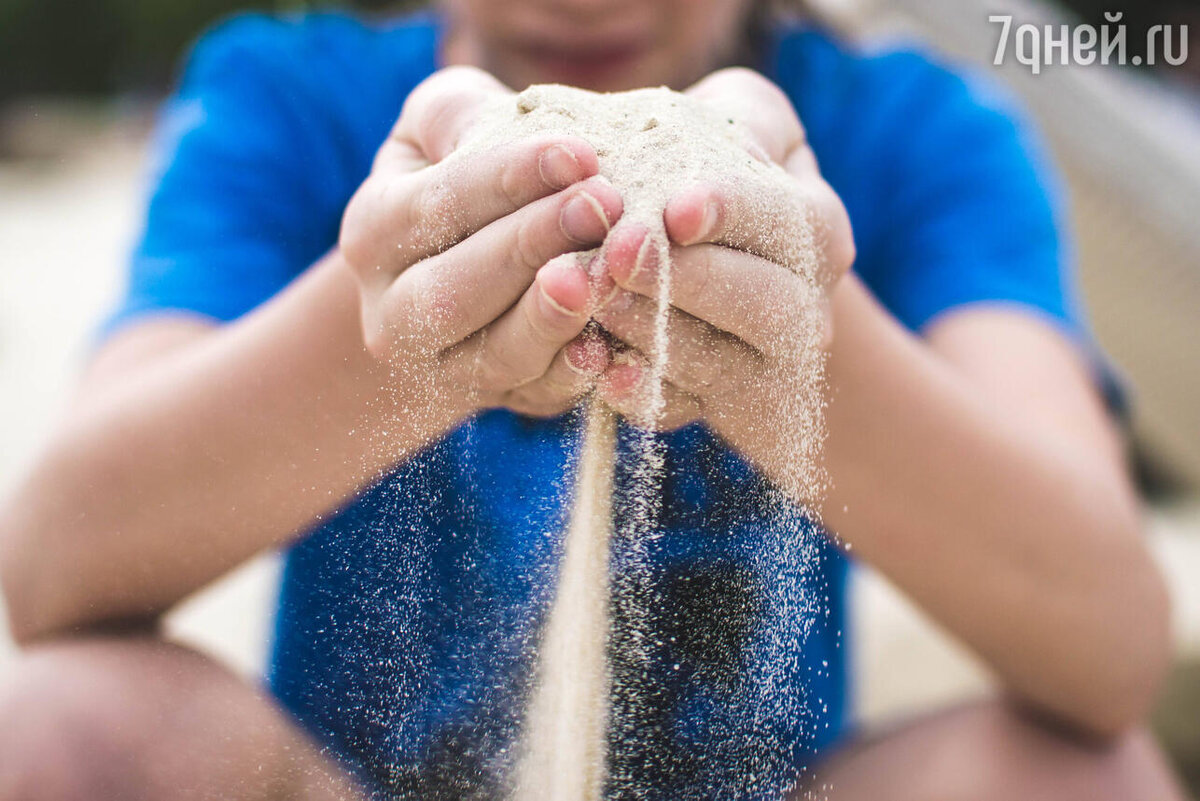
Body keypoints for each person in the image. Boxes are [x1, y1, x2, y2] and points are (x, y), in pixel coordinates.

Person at [0, 0, 1186, 798]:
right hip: (344, 777)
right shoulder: (295, 99)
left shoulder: (920, 134)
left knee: (1081, 777)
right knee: (57, 727)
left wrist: (800, 341)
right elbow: (54, 566)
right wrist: (397, 331)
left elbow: (1109, 652)